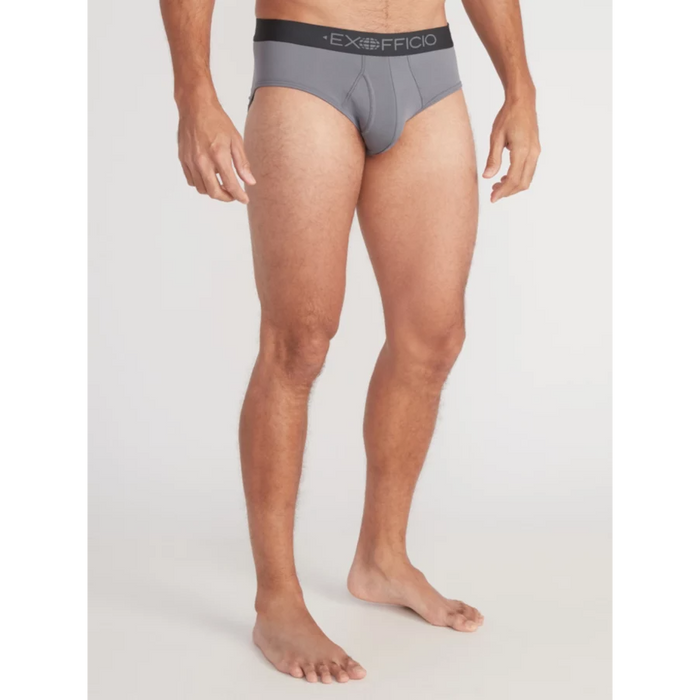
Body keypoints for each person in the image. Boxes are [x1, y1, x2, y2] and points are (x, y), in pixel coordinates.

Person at [161, 0, 540, 685]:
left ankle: (382, 558)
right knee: (298, 342)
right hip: (307, 60)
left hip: (429, 65)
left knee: (433, 338)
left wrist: (520, 87)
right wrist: (194, 92)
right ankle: (277, 600)